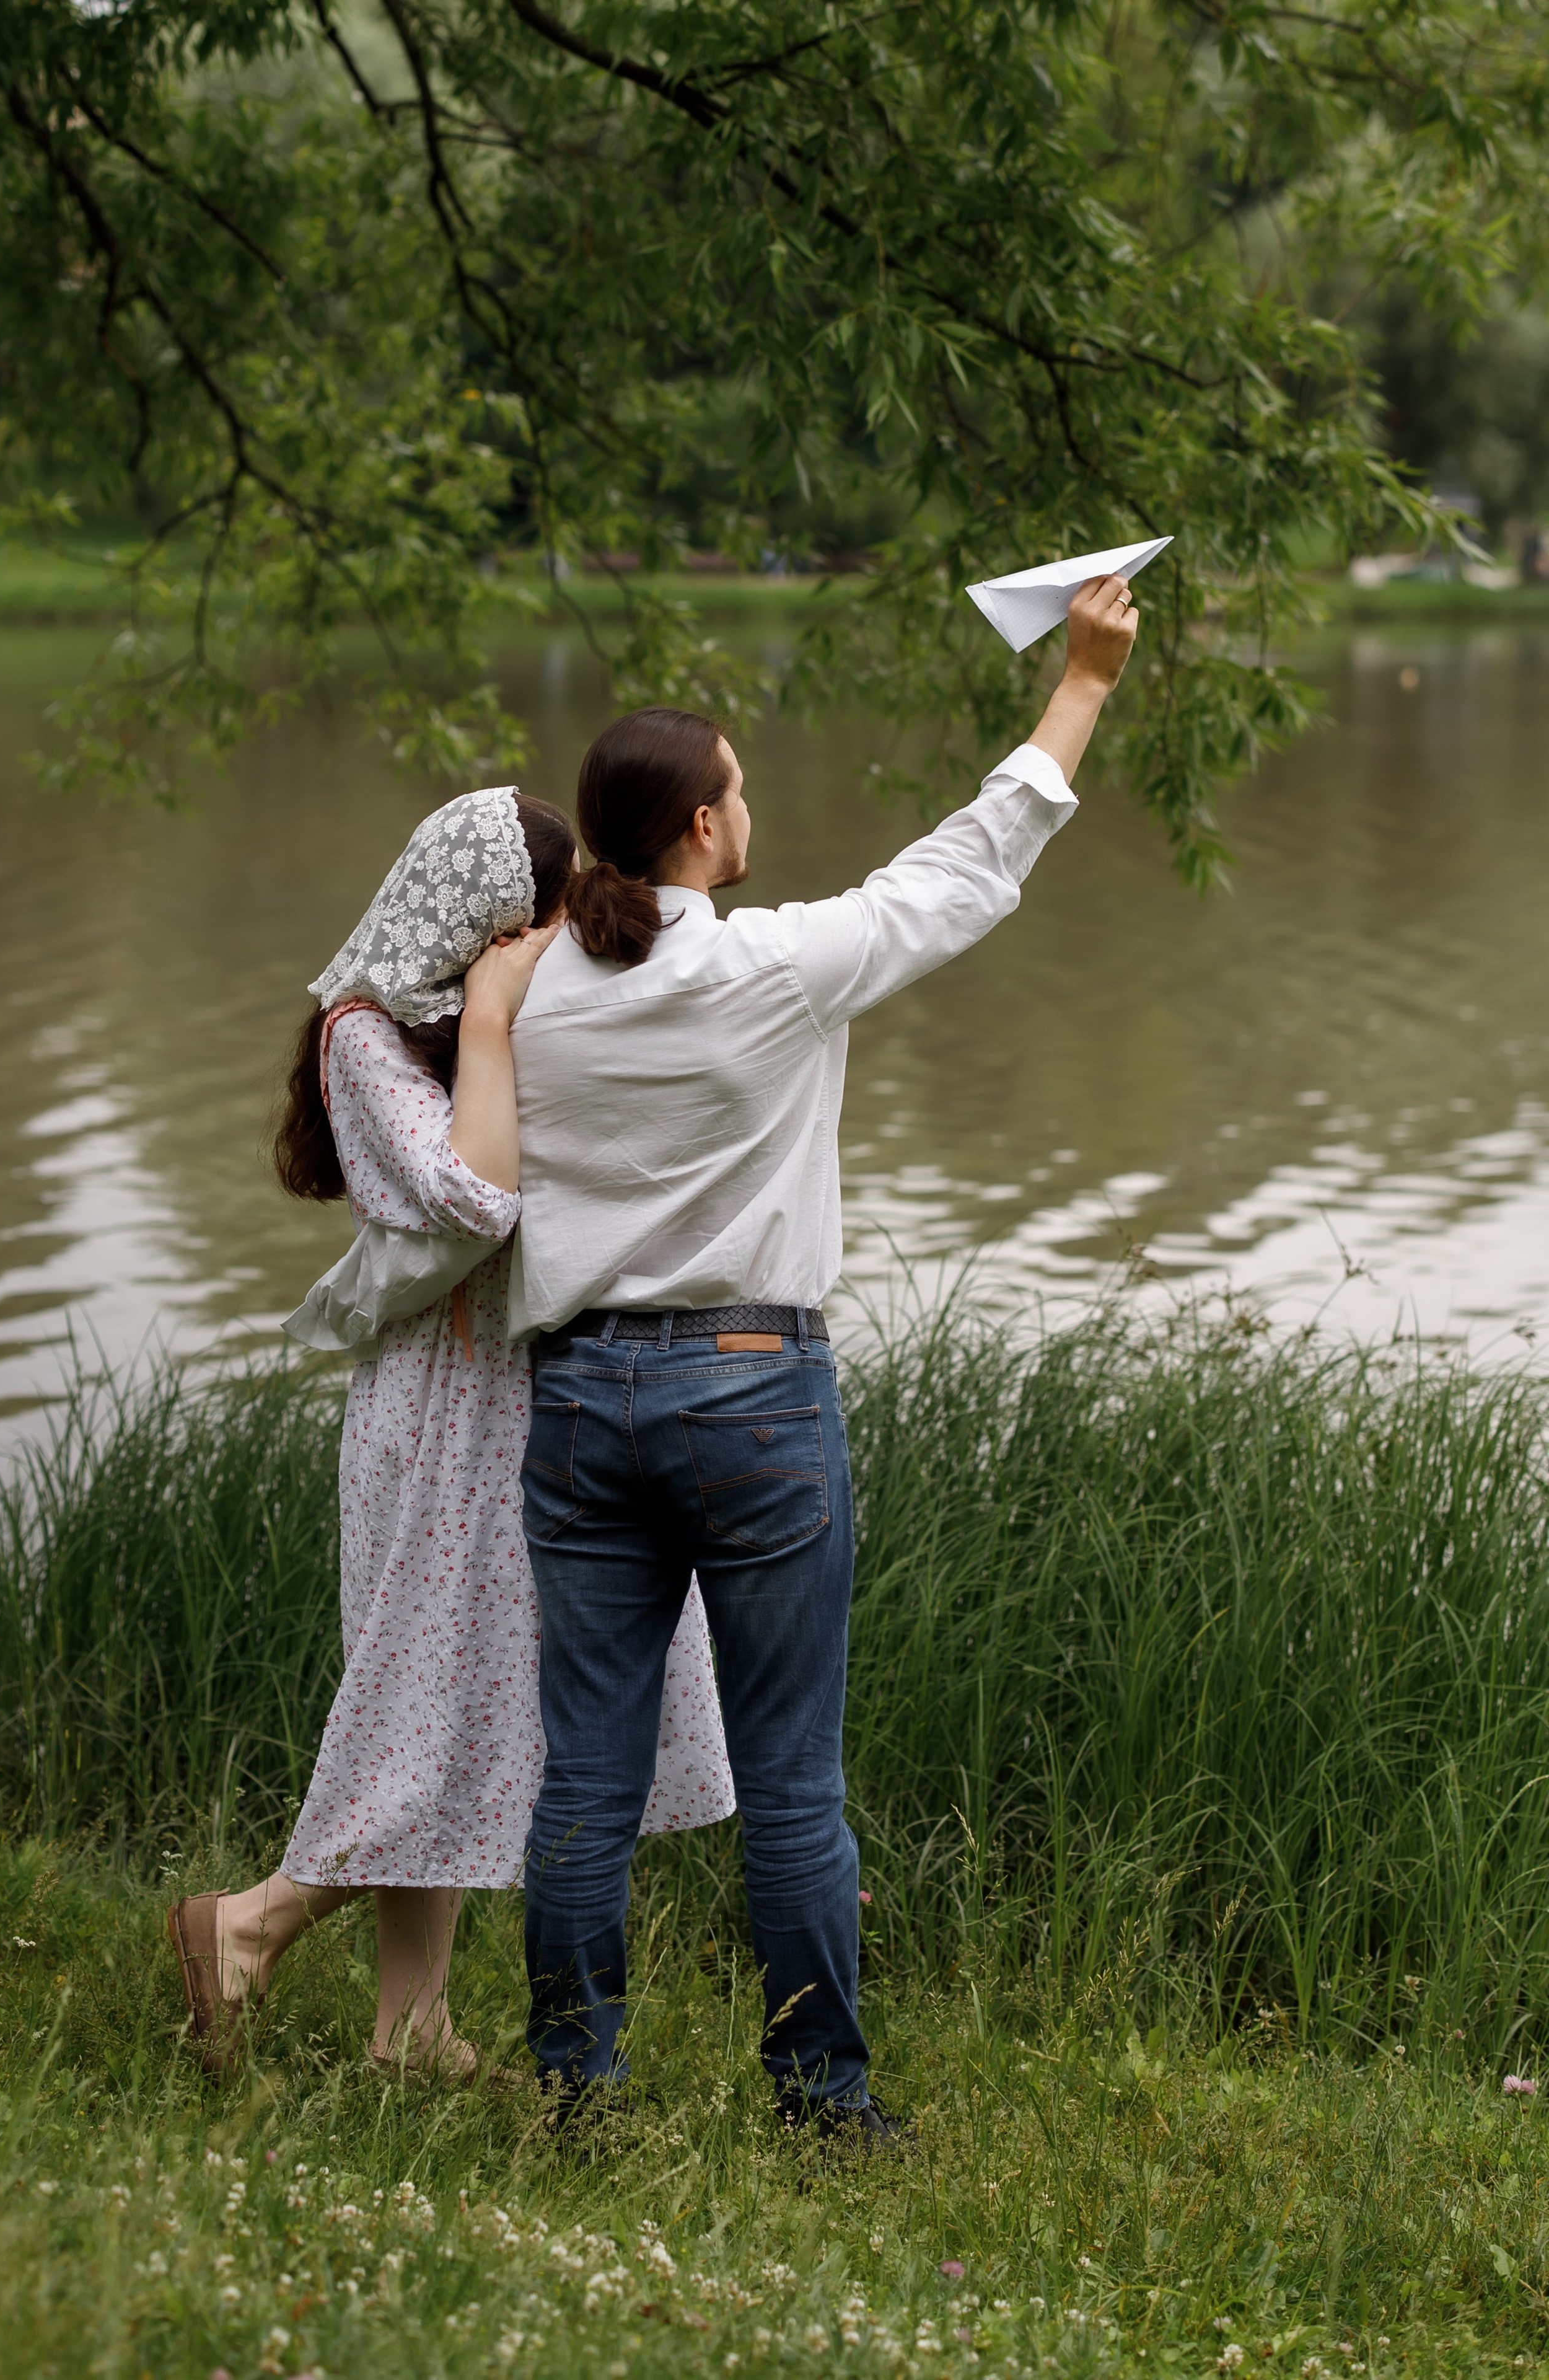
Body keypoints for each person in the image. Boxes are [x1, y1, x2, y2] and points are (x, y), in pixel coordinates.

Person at [508, 572, 1141, 2140]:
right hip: (749, 1389)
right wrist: (1084, 679)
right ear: (706, 832)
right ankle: (821, 2105)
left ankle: (576, 2093)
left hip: (581, 1398)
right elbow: (970, 862)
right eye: (738, 784)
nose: (748, 801)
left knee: (582, 1780)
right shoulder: (770, 968)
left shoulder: (533, 994)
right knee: (789, 1781)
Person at [167, 789, 734, 2081]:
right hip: (438, 1413)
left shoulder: (499, 1019)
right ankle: (246, 1925)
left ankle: (406, 2025)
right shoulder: (363, 1039)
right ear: (485, 914)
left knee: (467, 1697)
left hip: (529, 1390)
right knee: (420, 1696)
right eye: (536, 911)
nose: (547, 934)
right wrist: (489, 1019)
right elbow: (476, 1202)